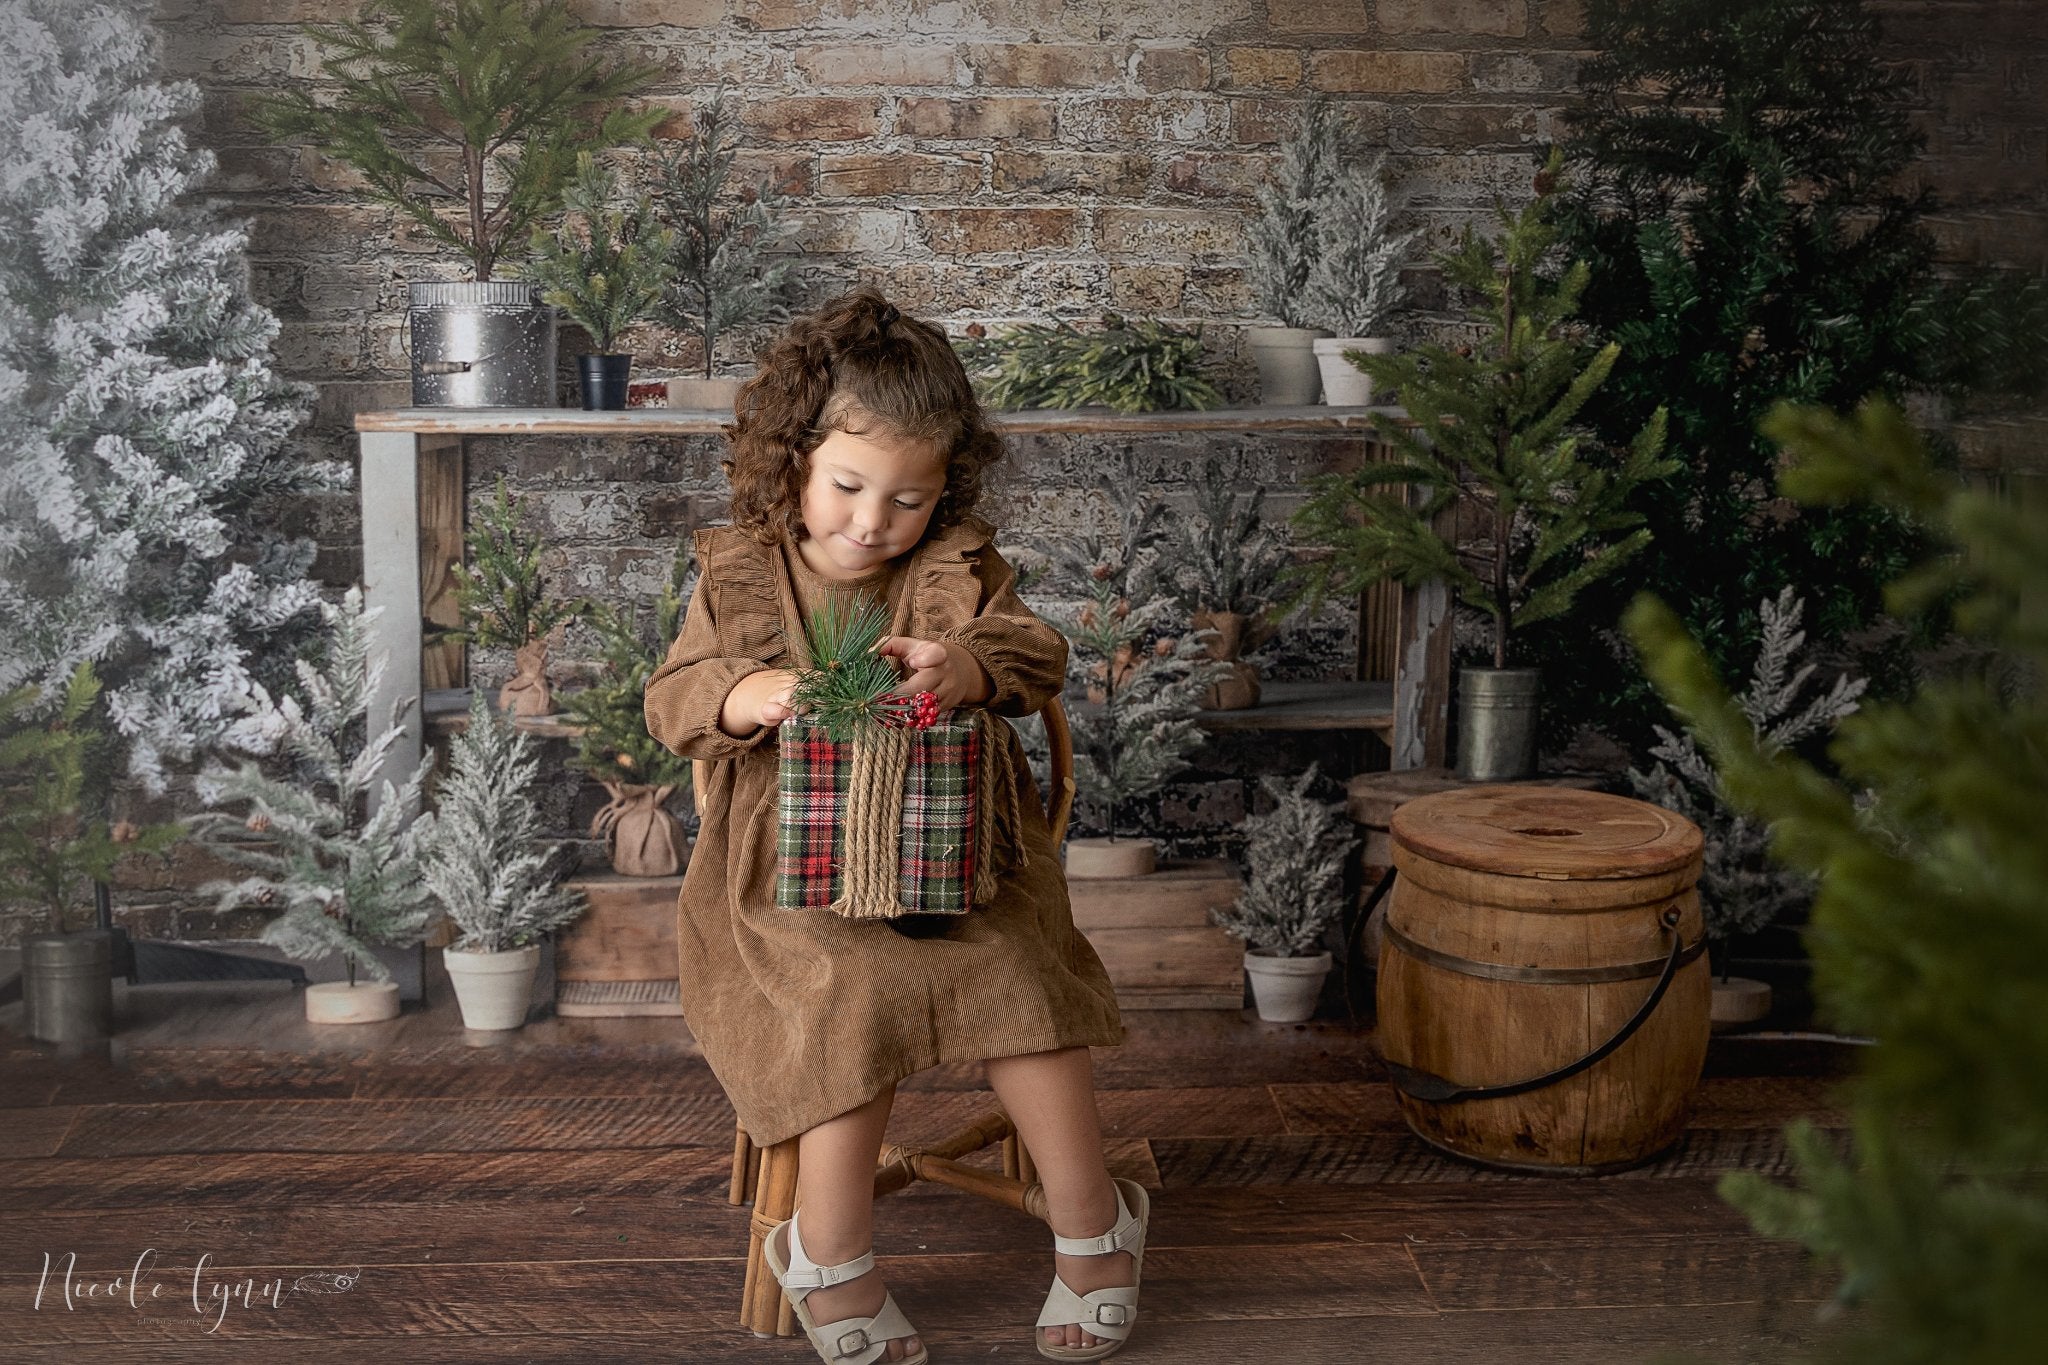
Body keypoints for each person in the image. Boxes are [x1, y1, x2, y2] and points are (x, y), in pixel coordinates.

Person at [643, 287, 1148, 1364]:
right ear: (790, 462)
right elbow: (673, 697)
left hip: (959, 857)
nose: (873, 522)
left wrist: (965, 666)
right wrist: (745, 695)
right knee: (845, 995)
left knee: (1019, 979)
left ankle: (1095, 1228)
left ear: (944, 490)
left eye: (908, 499)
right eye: (847, 487)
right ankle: (829, 1254)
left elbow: (1035, 656)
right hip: (788, 878)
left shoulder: (955, 569)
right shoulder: (739, 573)